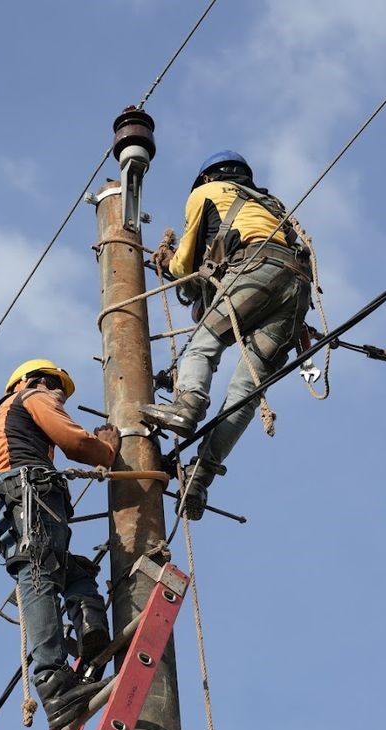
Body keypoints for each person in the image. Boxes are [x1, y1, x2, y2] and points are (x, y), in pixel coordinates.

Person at [142, 151, 313, 520]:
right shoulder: (270, 206)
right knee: (246, 393)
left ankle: (187, 408)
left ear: (207, 177)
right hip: (296, 292)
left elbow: (185, 264)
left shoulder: (208, 192)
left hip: (256, 271)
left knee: (204, 343)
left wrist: (167, 260)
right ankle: (199, 477)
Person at [0, 358, 121, 730]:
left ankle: (90, 627)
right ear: (32, 380)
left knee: (67, 568)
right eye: (56, 387)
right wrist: (107, 448)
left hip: (5, 509)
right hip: (28, 494)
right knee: (39, 571)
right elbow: (73, 440)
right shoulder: (31, 396)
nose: (58, 396)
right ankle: (54, 683)